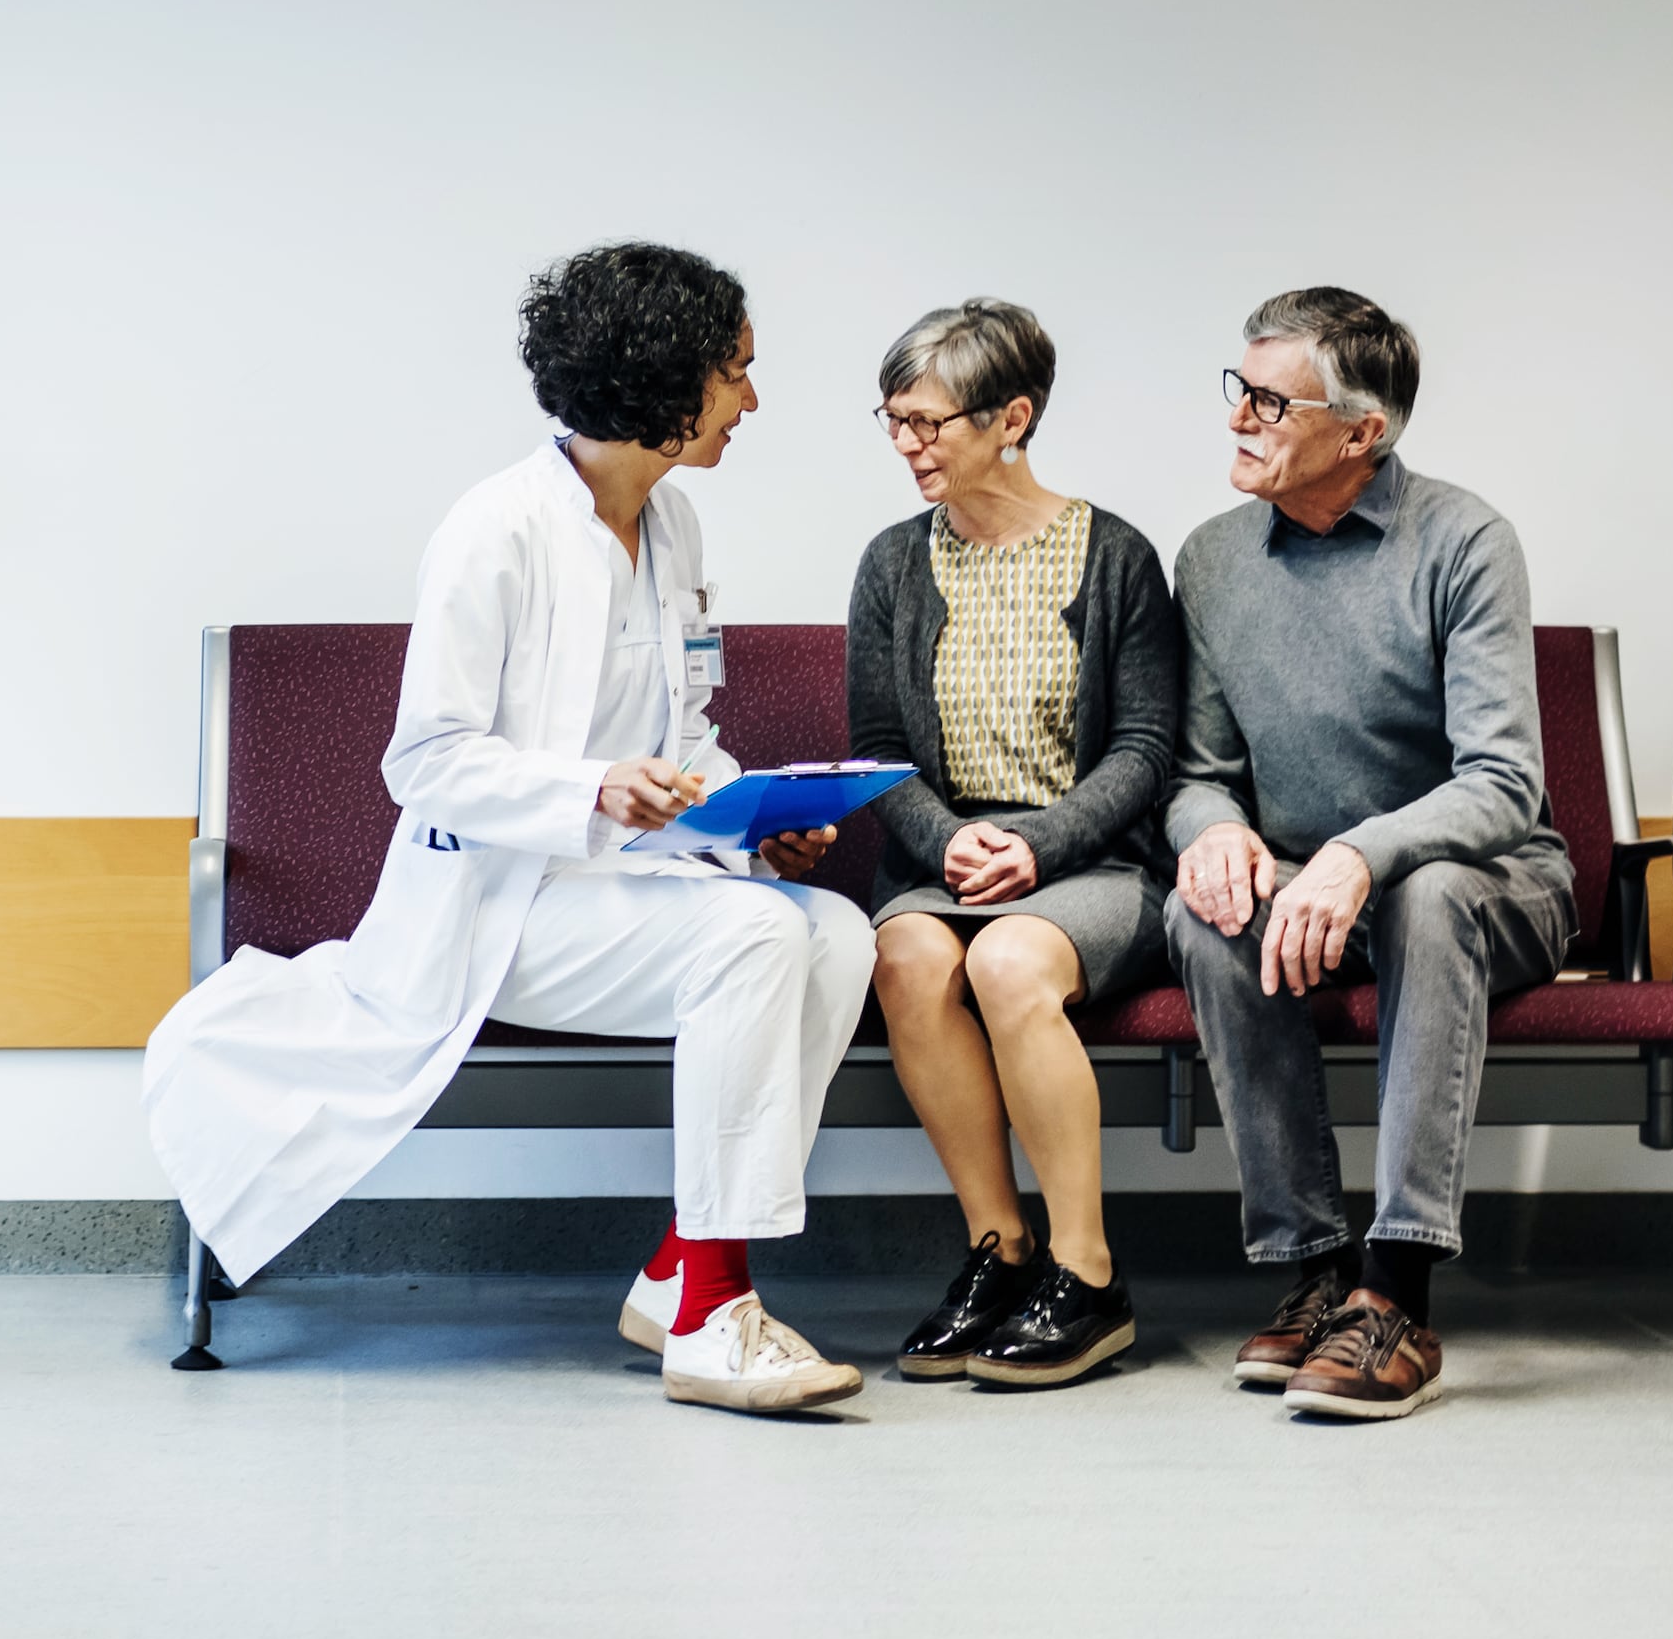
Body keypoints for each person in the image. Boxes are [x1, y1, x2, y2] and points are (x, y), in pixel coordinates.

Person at [140, 241, 876, 1415]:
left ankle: (680, 1261)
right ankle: (711, 1316)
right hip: (494, 905)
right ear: (663, 378)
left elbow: (684, 738)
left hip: (620, 889)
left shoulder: (672, 527)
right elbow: (422, 761)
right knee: (756, 941)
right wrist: (587, 791)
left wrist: (754, 826)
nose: (752, 398)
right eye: (736, 371)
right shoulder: (495, 529)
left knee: (831, 927)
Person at [1162, 287, 1574, 1424]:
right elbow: (1197, 770)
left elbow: (1502, 784)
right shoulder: (1210, 559)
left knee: (1425, 894)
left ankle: (1395, 1292)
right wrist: (1216, 836)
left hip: (1490, 886)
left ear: (1361, 432)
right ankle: (1312, 1274)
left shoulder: (1464, 541)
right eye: (1234, 389)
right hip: (1308, 889)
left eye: (1267, 399)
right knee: (1203, 910)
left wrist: (1359, 854)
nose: (1237, 417)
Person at [845, 300, 1182, 1391]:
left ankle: (1088, 1275)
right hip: (944, 859)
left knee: (1004, 959)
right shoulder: (893, 565)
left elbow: (1141, 751)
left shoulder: (1115, 555)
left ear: (1012, 418)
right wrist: (944, 844)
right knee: (905, 959)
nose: (906, 445)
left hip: (1091, 864)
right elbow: (878, 746)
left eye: (927, 423)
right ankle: (1000, 1251)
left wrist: (1037, 847)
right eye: (893, 420)